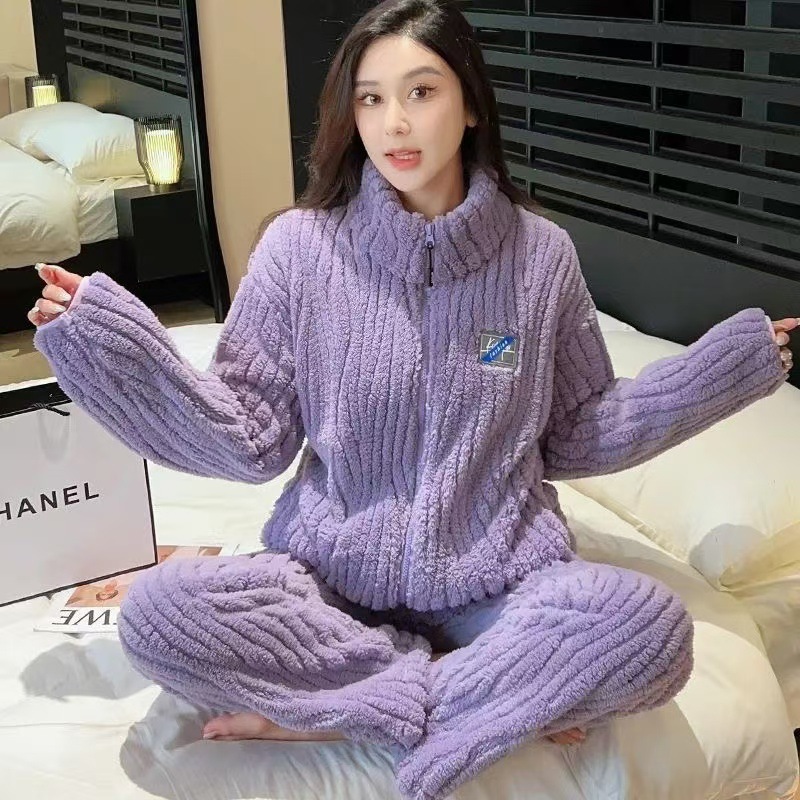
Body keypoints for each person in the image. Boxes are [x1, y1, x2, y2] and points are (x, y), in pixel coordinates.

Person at [28, 1, 796, 798]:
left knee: (648, 630)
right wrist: (110, 340)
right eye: (370, 98)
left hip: (500, 587)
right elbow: (249, 435)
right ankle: (477, 697)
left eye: (421, 92)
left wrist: (721, 371)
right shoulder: (299, 248)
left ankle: (347, 709)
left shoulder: (541, 258)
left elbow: (577, 429)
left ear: (472, 106)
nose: (394, 122)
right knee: (160, 615)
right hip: (331, 585)